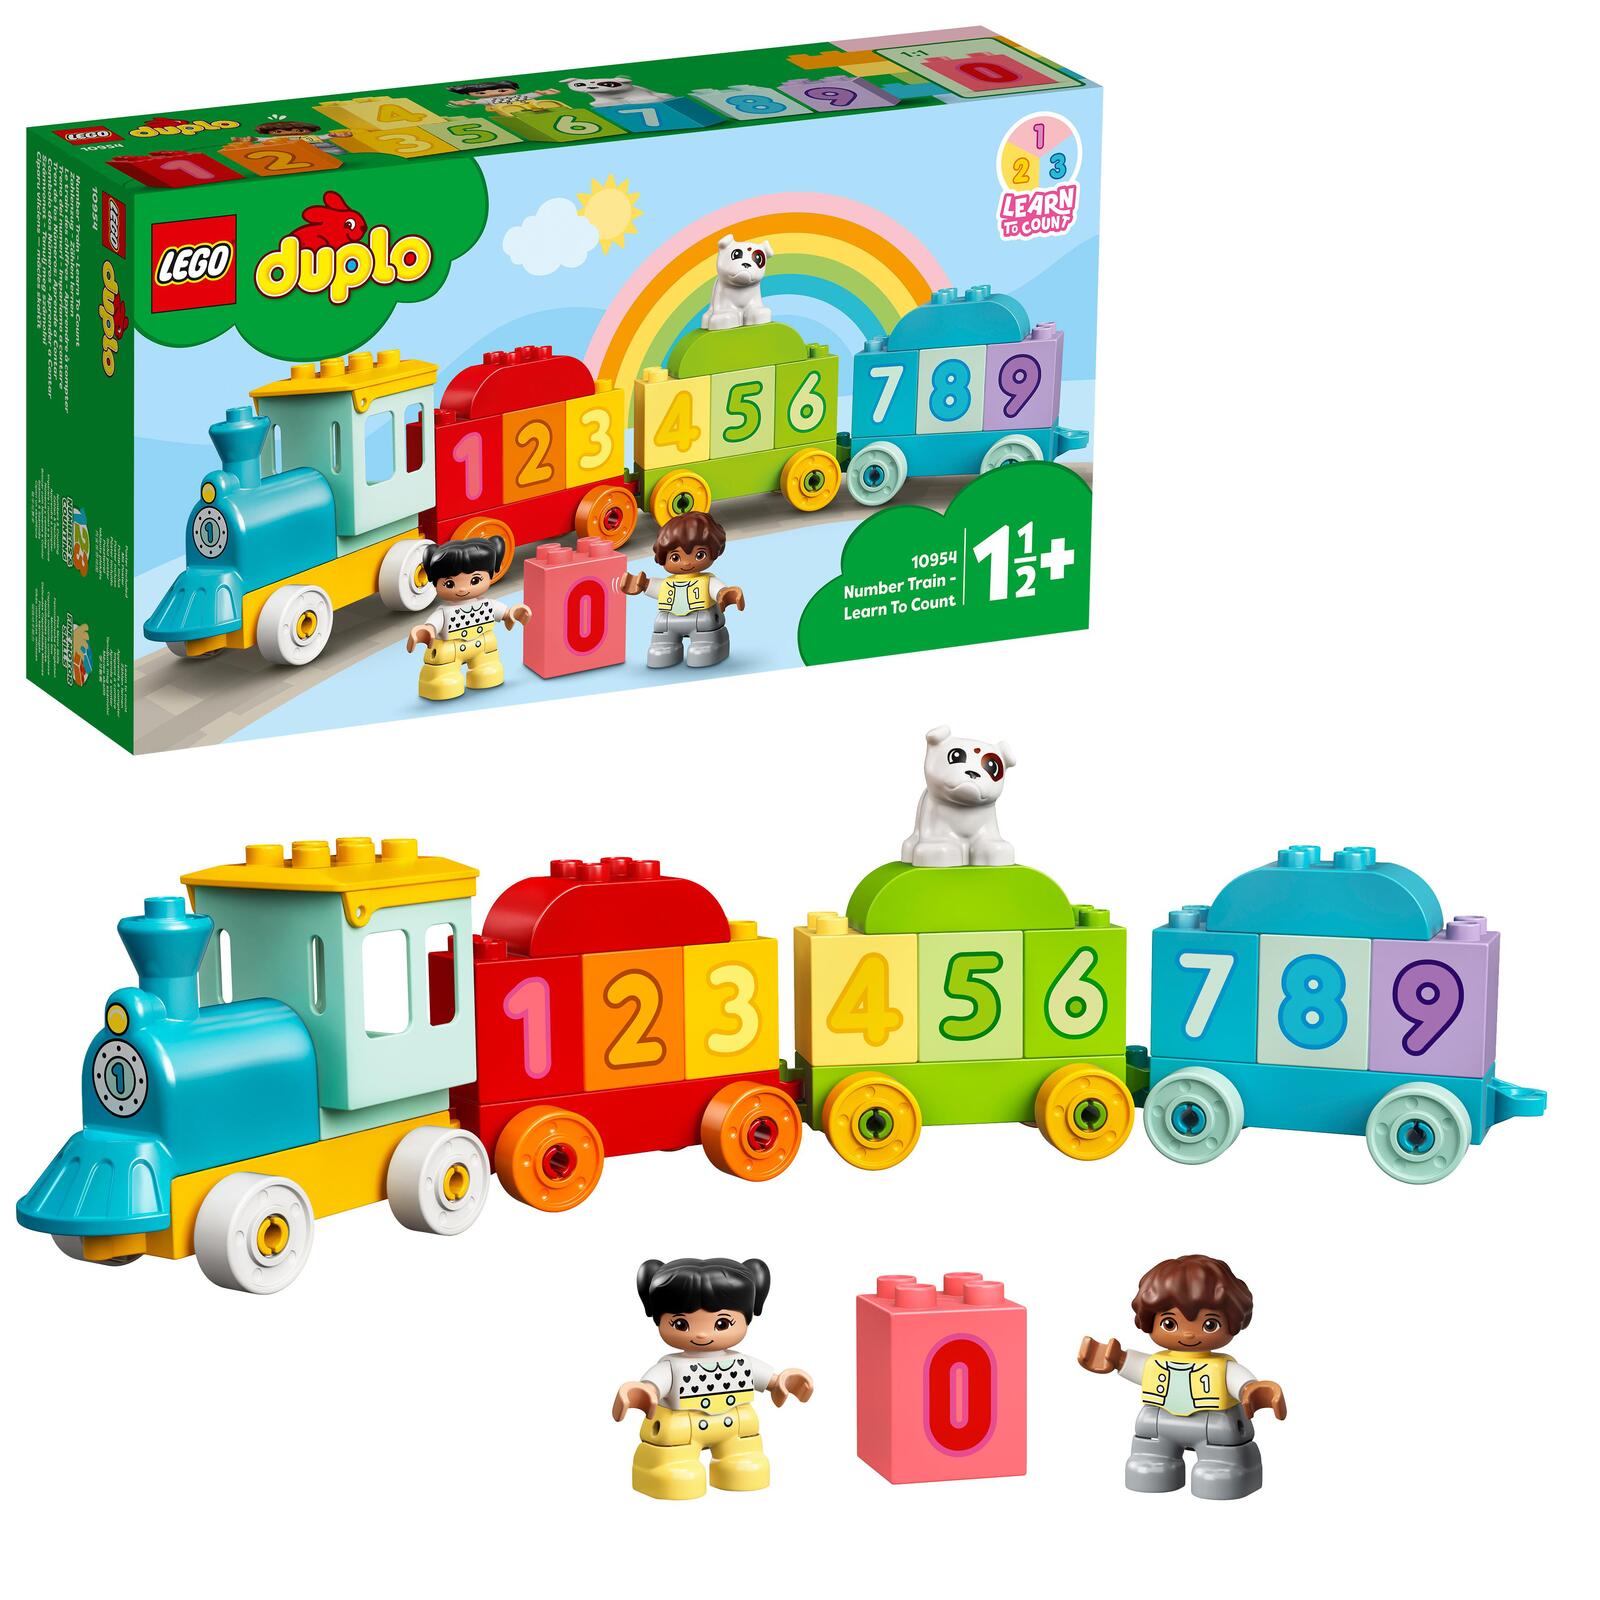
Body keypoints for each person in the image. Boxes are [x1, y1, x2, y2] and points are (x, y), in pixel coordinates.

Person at [1078, 1253, 1286, 1499]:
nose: (1188, 1334)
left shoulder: (1223, 1367)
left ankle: (1225, 1467)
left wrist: (1251, 1390)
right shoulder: (1155, 1362)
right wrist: (1114, 1359)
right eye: (1170, 1323)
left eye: (1209, 1324)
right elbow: (1133, 1365)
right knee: (1148, 1460)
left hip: (1215, 1427)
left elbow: (1241, 1382)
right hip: (1158, 1425)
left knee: (1220, 1468)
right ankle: (1154, 1461)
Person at [613, 1257, 813, 1499]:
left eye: (722, 1323)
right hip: (681, 1429)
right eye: (680, 1323)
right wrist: (645, 1392)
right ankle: (668, 1467)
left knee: (745, 1462)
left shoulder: (742, 1361)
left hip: (736, 1427)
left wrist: (781, 1382)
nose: (701, 1334)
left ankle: (738, 1460)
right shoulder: (671, 1366)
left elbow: (769, 1380)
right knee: (675, 1470)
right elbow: (653, 1385)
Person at [406, 536, 529, 700]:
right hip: (449, 650)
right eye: (450, 584)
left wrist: (512, 613)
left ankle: (485, 670)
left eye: (475, 580)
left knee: (488, 668)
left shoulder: (488, 604)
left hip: (483, 645)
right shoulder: (443, 613)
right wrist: (427, 630)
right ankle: (440, 681)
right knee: (443, 678)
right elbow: (433, 625)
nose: (463, 589)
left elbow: (505, 613)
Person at [620, 511, 744, 668]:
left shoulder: (707, 581)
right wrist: (641, 584)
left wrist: (724, 594)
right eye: (675, 557)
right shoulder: (667, 583)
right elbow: (655, 587)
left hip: (702, 621)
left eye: (699, 555)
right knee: (661, 633)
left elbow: (718, 590)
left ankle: (708, 645)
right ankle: (664, 646)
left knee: (703, 642)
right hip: (668, 621)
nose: (686, 563)